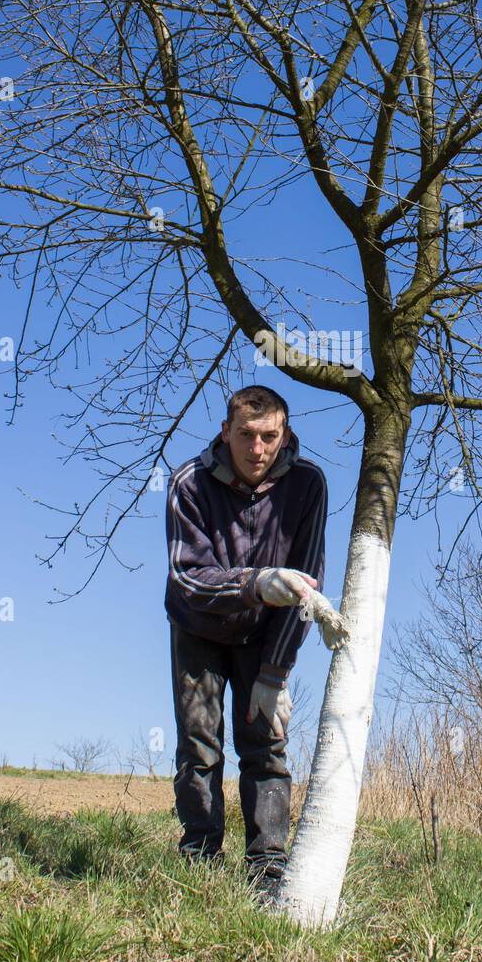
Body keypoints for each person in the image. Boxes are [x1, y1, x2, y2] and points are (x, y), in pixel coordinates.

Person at [165, 384, 328, 895]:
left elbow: (307, 581)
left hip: (265, 635)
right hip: (199, 628)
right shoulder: (187, 483)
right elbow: (186, 576)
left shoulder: (309, 484)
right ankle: (199, 861)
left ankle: (268, 871)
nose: (257, 450)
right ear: (225, 432)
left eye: (269, 437)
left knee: (266, 747)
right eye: (246, 436)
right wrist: (254, 583)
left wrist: (275, 673)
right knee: (199, 746)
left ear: (285, 434)